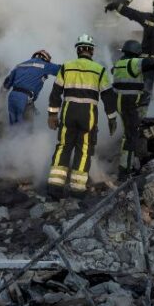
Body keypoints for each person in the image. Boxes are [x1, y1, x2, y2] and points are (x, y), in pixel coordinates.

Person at [46, 34, 118, 197]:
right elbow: (108, 97)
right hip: (88, 114)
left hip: (68, 112)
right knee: (84, 150)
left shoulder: (66, 67)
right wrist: (112, 118)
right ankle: (77, 189)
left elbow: (55, 93)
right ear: (91, 51)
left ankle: (55, 187)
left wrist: (52, 115)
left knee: (64, 146)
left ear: (78, 50)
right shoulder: (99, 70)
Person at [111, 40, 154, 180]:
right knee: (131, 137)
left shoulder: (119, 63)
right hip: (129, 103)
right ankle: (125, 171)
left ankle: (125, 167)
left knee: (128, 134)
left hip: (119, 101)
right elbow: (150, 62)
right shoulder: (133, 62)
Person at [1, 50, 60, 125]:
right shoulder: (45, 65)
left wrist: (0, 99)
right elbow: (62, 70)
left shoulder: (20, 65)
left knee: (14, 126)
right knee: (25, 128)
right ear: (46, 58)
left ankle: (13, 136)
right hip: (25, 98)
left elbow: (6, 83)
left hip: (12, 97)